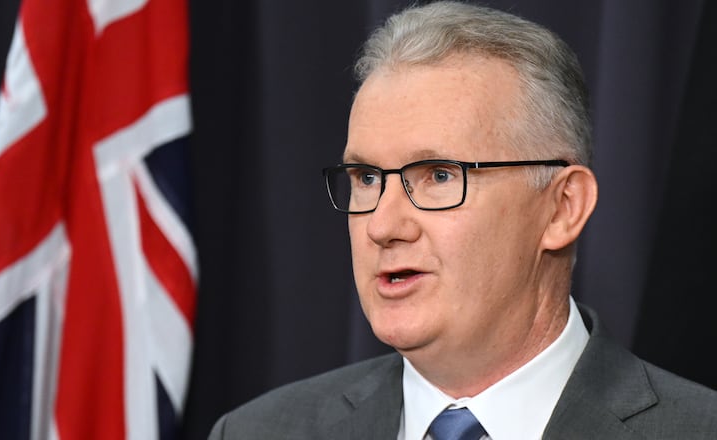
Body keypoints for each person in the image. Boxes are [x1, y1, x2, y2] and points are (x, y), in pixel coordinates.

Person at [208, 1, 717, 438]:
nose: (383, 226)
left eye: (440, 176)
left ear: (563, 208)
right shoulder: (258, 431)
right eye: (366, 178)